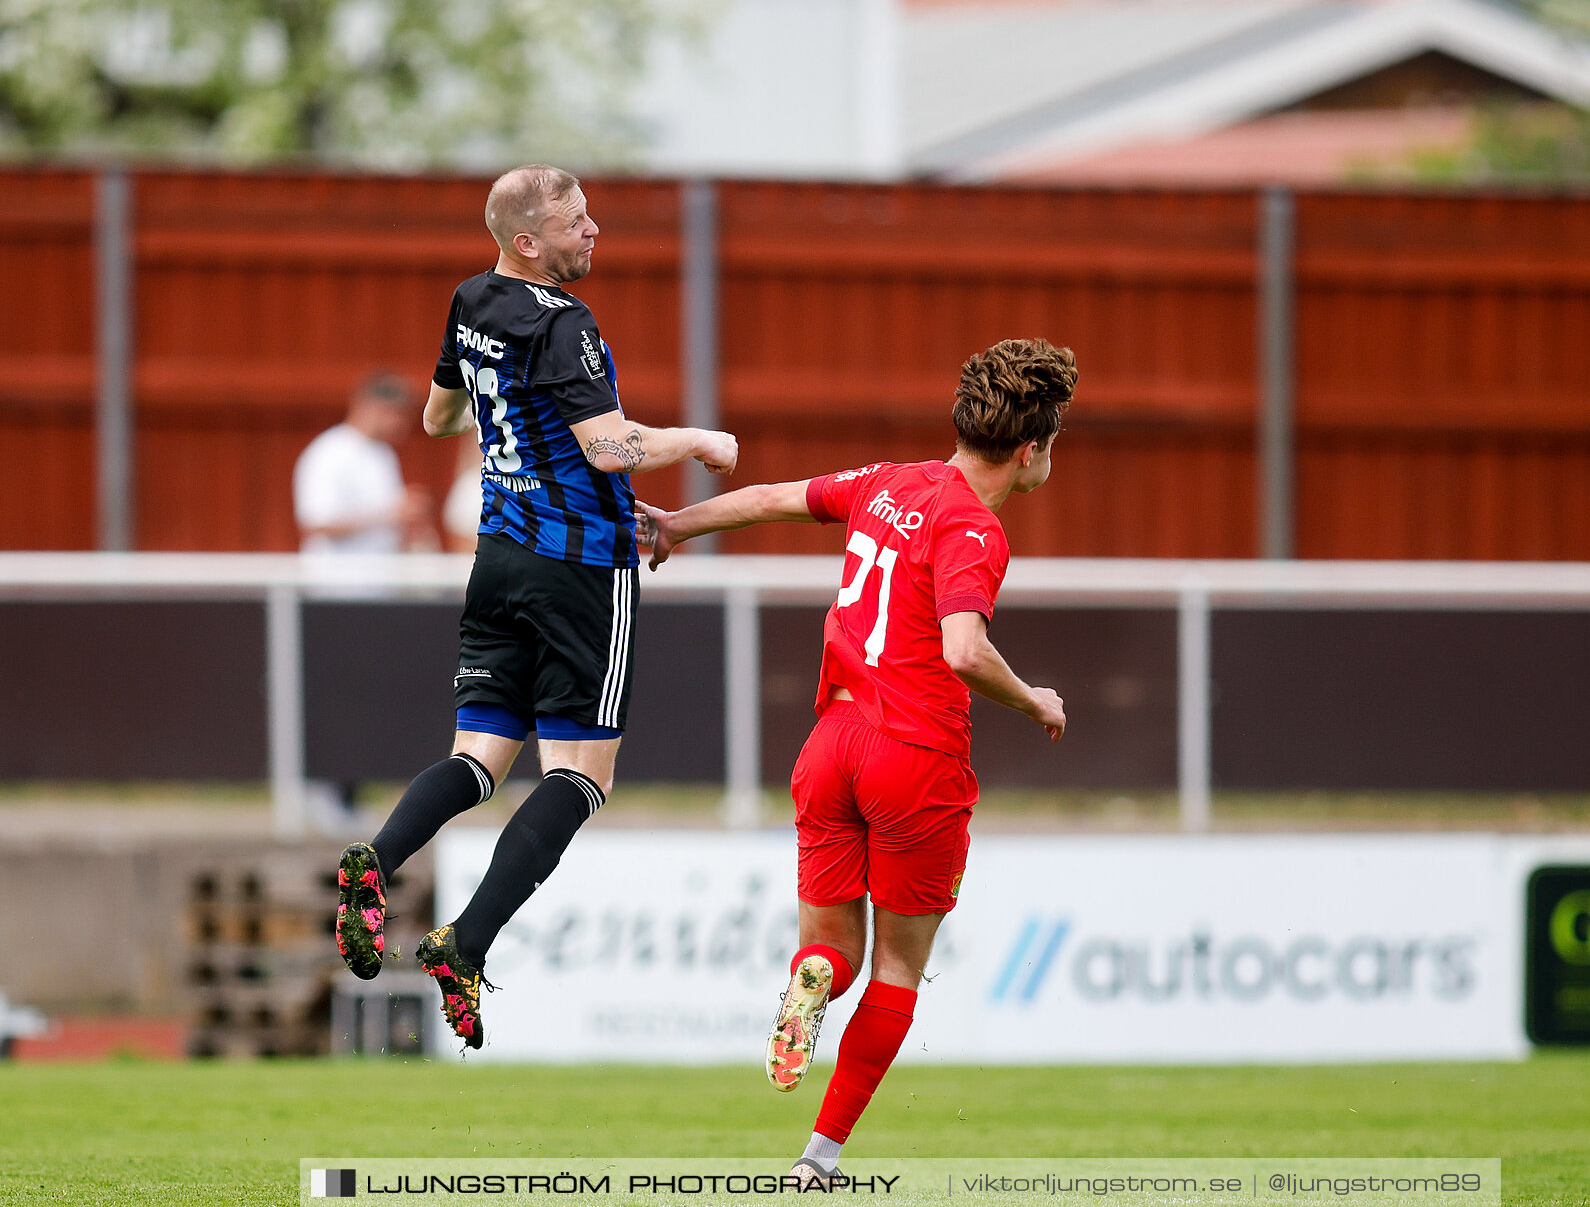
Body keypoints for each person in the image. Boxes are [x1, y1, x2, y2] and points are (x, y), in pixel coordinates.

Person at [635, 337, 1076, 1183]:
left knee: (829, 952)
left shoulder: (889, 484)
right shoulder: (973, 528)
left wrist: (678, 525)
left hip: (831, 744)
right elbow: (963, 650)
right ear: (1031, 449)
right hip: (914, 756)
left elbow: (769, 497)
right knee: (900, 965)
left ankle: (810, 978)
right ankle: (818, 1158)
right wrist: (1035, 700)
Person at [332, 165, 738, 1050]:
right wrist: (698, 438)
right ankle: (464, 942)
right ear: (528, 240)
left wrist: (530, 453)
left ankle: (376, 860)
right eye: (575, 221)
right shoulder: (566, 322)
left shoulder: (471, 297)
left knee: (478, 758)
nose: (593, 231)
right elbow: (610, 446)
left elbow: (444, 419)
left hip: (498, 561)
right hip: (579, 571)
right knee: (580, 775)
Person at [293, 372, 436, 553]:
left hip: (379, 576)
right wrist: (393, 513)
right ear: (372, 408)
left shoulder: (383, 453)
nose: (402, 425)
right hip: (337, 577)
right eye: (398, 414)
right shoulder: (330, 451)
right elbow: (317, 522)